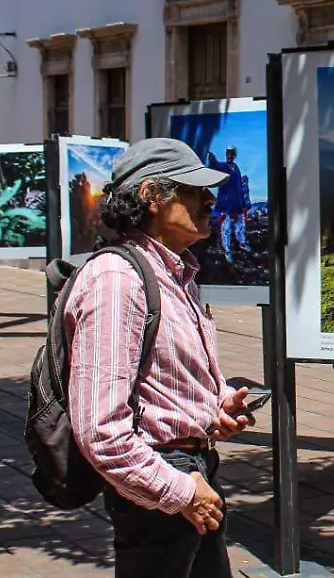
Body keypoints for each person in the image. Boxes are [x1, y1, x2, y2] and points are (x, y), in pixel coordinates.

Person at [65, 138, 256, 577]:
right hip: (163, 479)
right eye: (194, 189)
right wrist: (180, 491)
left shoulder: (174, 273)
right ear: (152, 196)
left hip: (190, 469)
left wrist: (215, 406)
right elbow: (100, 431)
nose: (209, 199)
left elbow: (162, 378)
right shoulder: (117, 281)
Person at [207, 145, 250, 262]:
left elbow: (239, 187)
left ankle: (242, 242)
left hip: (237, 204)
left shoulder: (236, 168)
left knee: (240, 225)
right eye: (228, 153)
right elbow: (216, 166)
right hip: (226, 204)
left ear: (234, 156)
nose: (230, 156)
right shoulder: (223, 166)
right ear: (226, 155)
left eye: (232, 154)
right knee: (225, 228)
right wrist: (212, 160)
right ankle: (227, 250)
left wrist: (243, 203)